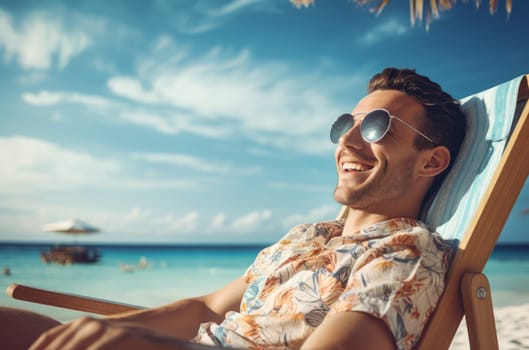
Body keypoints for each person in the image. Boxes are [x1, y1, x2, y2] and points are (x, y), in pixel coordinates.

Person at [0, 67, 466, 350]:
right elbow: (206, 306)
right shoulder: (310, 235)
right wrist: (95, 332)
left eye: (377, 126)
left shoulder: (406, 253)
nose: (345, 140)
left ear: (432, 160)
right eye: (347, 123)